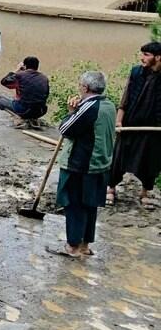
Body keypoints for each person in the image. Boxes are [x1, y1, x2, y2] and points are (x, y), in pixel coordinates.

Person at [55, 71, 117, 257]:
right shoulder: (109, 105)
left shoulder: (89, 107)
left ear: (85, 87)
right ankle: (85, 245)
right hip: (101, 163)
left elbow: (65, 129)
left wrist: (71, 112)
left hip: (81, 164)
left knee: (74, 203)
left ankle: (73, 246)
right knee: (90, 205)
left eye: (80, 85)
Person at [108, 41, 161, 208]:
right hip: (130, 124)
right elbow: (126, 98)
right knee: (118, 157)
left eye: (146, 55)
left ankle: (145, 193)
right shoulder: (136, 72)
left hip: (153, 128)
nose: (142, 58)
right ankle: (111, 188)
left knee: (150, 161)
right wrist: (119, 120)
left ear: (158, 57)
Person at [0, 57, 50, 125]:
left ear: (25, 66)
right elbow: (46, 95)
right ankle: (33, 118)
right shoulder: (44, 78)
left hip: (24, 110)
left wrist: (17, 70)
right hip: (41, 111)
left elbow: (4, 82)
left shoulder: (20, 75)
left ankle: (19, 117)